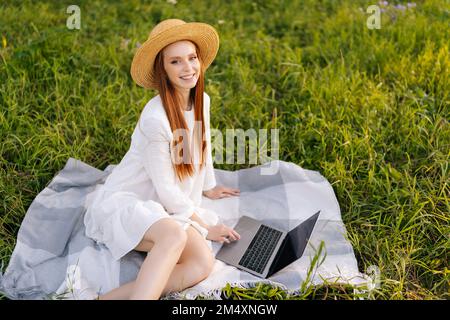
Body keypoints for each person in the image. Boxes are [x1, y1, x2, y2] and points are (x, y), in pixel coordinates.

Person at [83, 19, 241, 300]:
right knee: (174, 237)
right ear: (163, 70)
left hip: (165, 209)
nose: (188, 68)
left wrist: (208, 186)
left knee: (201, 264)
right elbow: (167, 191)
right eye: (176, 62)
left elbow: (200, 147)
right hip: (131, 202)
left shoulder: (201, 100)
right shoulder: (156, 118)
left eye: (192, 58)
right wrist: (207, 227)